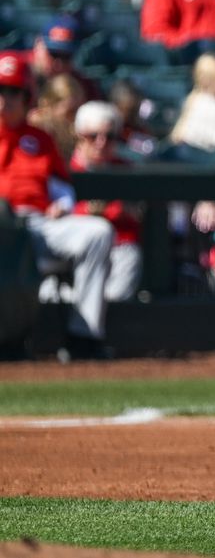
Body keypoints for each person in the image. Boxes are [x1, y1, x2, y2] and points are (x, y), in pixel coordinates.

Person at [0, 52, 115, 359]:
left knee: (98, 232)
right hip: (3, 227)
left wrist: (62, 206)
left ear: (26, 98)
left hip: (37, 225)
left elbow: (61, 188)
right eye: (0, 91)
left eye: (12, 93)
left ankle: (84, 335)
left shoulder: (39, 139)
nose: (5, 101)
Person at [66, 101, 142, 308]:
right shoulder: (64, 167)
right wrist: (100, 210)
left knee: (128, 255)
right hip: (76, 248)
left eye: (109, 137)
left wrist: (103, 210)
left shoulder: (126, 169)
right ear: (79, 136)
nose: (101, 143)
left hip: (118, 246)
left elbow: (135, 213)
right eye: (93, 136)